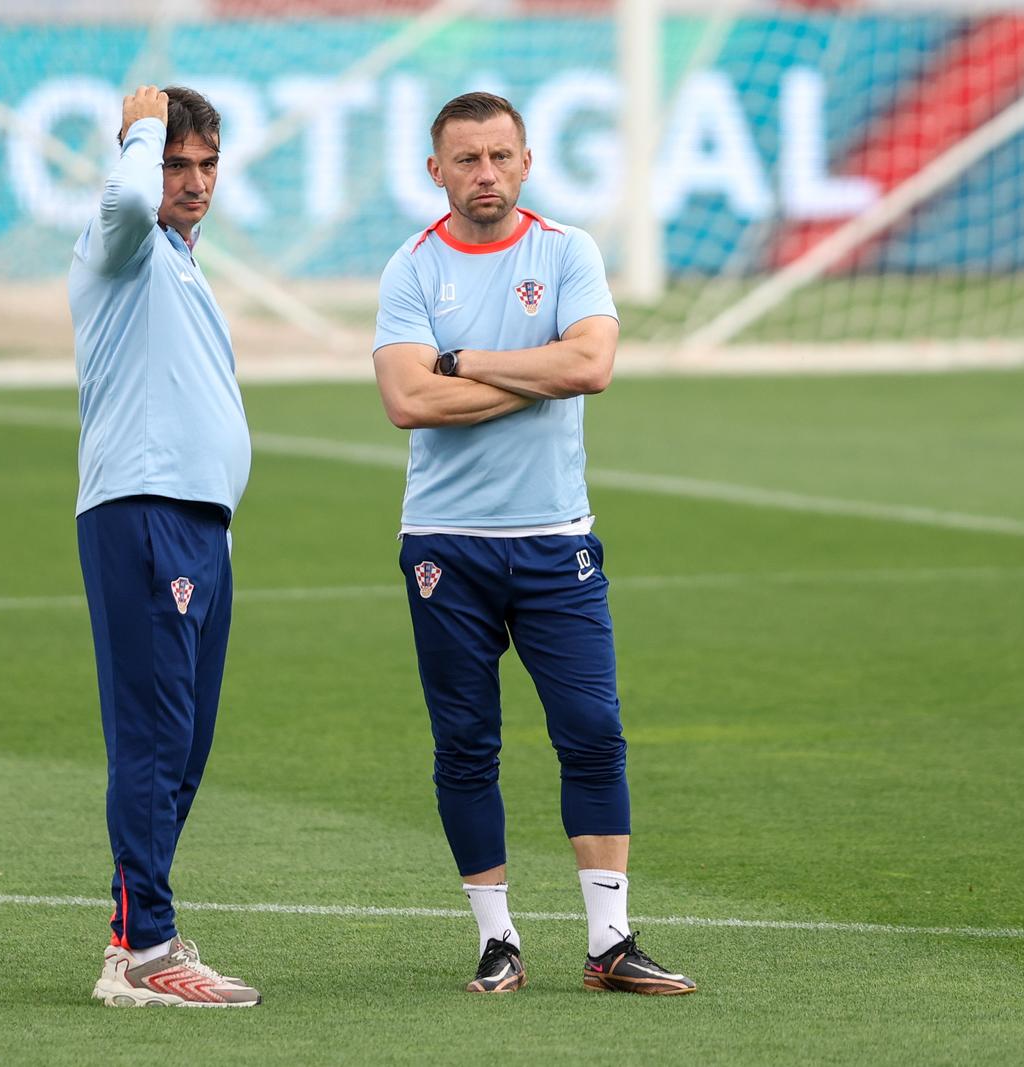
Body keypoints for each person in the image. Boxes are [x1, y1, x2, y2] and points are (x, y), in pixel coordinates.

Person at [371, 92, 696, 997]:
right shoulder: (411, 269)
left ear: (527, 159)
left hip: (557, 538)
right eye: (467, 159)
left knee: (593, 732)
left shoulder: (566, 251)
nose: (487, 174)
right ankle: (498, 940)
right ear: (435, 169)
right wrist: (538, 372)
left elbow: (590, 366)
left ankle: (610, 941)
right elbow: (407, 401)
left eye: (501, 156)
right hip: (446, 542)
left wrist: (465, 360)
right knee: (466, 742)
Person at [72, 84, 259, 1008]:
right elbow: (125, 200)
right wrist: (141, 130)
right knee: (153, 740)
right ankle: (145, 952)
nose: (190, 181)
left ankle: (135, 933)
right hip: (143, 511)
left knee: (181, 743)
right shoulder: (125, 242)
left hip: (195, 522)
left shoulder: (180, 262)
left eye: (205, 165)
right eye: (174, 162)